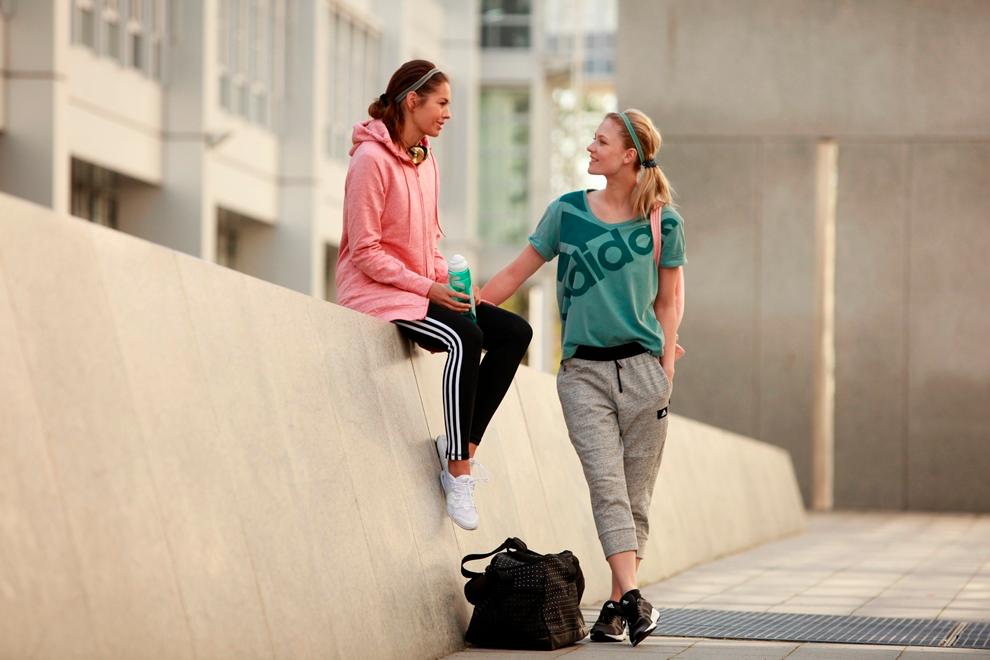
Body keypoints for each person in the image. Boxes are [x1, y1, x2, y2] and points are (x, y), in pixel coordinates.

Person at [480, 109, 686, 646]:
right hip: (582, 375)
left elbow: (671, 297)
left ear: (628, 156)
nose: (589, 149)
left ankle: (618, 607)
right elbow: (513, 274)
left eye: (600, 141)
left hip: (644, 372)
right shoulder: (567, 212)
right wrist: (465, 310)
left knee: (636, 496)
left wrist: (665, 364)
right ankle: (636, 597)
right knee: (607, 485)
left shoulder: (664, 222)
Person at [335, 60, 532, 531]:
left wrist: (455, 286)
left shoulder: (426, 161)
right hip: (376, 295)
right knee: (464, 336)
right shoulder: (370, 161)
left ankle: (463, 444)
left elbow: (429, 243)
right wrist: (429, 288)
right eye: (442, 103)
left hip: (420, 290)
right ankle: (457, 470)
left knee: (513, 333)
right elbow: (365, 251)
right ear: (412, 101)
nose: (448, 114)